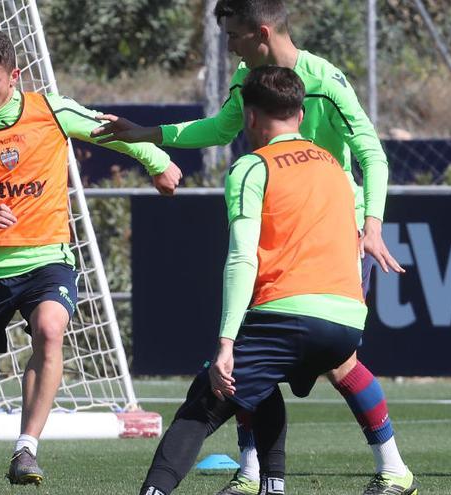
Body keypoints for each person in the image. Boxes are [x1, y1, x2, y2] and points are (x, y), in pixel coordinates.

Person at [94, 1, 415, 494]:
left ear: (262, 32)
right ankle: (253, 472)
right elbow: (220, 128)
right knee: (248, 345)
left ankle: (392, 466)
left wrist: (370, 225)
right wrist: (147, 133)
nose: (229, 48)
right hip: (277, 223)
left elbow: (371, 152)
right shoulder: (248, 77)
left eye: (235, 36)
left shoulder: (323, 80)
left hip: (331, 230)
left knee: (334, 361)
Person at [0, 29, 182, 495]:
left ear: (14, 76)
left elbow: (109, 128)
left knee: (51, 330)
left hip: (47, 259)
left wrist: (156, 160)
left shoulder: (50, 110)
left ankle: (25, 447)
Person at [140, 64, 371, 495]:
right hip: (348, 323)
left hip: (291, 316)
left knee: (206, 399)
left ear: (248, 116)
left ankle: (153, 492)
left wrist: (225, 344)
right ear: (301, 115)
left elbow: (242, 258)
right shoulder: (340, 173)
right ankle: (272, 485)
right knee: (259, 384)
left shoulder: (251, 167)